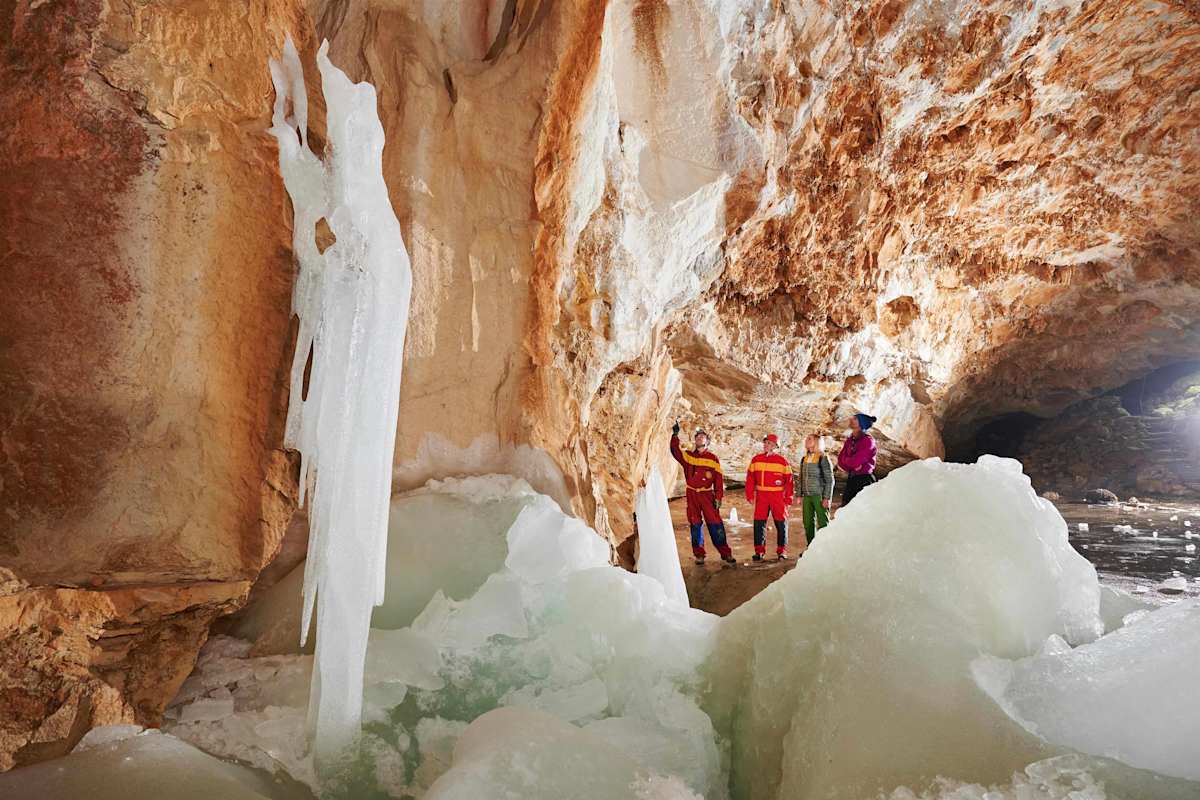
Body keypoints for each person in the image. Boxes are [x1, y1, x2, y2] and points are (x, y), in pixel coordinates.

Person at [670, 422, 734, 566]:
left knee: (715, 524)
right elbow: (675, 451)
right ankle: (699, 554)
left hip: (707, 495)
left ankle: (726, 553)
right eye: (697, 436)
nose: (699, 438)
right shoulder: (689, 457)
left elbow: (718, 480)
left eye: (702, 436)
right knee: (695, 524)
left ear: (707, 441)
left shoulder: (713, 459)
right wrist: (675, 436)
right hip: (692, 494)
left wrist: (718, 497)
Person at [746, 433, 793, 561]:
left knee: (781, 523)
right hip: (761, 496)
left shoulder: (782, 462)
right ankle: (759, 551)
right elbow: (750, 479)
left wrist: (788, 498)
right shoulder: (756, 460)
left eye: (769, 443)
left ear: (775, 446)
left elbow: (789, 481)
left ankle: (782, 551)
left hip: (777, 496)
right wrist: (750, 494)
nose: (766, 445)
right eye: (765, 442)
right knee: (759, 522)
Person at [798, 434, 834, 547]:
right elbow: (800, 477)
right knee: (808, 523)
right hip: (807, 496)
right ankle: (811, 549)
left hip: (819, 495)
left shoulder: (823, 458)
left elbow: (830, 480)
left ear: (817, 442)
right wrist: (799, 494)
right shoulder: (804, 458)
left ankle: (825, 548)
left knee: (823, 523)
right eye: (806, 438)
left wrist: (827, 498)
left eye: (809, 439)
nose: (806, 440)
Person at [837, 413, 878, 507]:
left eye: (855, 418)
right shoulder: (850, 440)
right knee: (845, 509)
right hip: (852, 479)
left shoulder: (868, 441)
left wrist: (849, 461)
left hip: (865, 480)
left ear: (861, 423)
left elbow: (854, 461)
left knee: (862, 509)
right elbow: (840, 461)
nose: (851, 419)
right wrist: (851, 463)